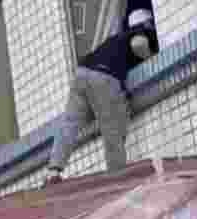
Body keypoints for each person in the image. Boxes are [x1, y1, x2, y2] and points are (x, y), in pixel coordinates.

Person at [45, 7, 159, 185]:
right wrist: (152, 59)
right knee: (113, 127)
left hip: (81, 73)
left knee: (70, 123)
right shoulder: (141, 30)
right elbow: (139, 44)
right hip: (104, 78)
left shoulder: (114, 39)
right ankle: (117, 177)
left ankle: (53, 171)